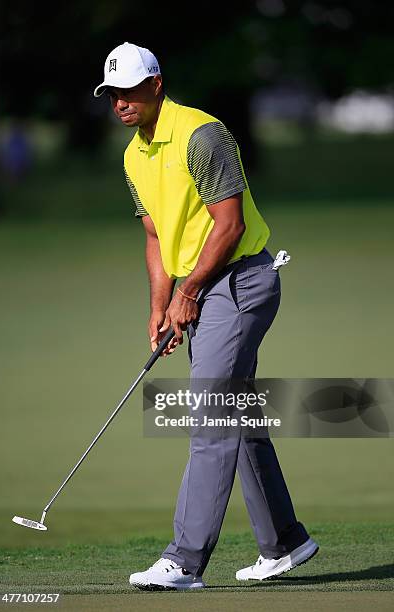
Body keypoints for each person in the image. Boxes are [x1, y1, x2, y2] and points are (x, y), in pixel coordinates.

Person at [94, 42, 318, 591]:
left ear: (156, 85)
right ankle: (285, 541)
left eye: (129, 91)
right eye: (112, 94)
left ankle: (185, 560)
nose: (121, 103)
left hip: (240, 282)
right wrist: (159, 305)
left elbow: (230, 225)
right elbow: (155, 236)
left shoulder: (201, 134)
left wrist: (187, 292)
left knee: (210, 415)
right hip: (201, 288)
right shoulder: (132, 156)